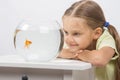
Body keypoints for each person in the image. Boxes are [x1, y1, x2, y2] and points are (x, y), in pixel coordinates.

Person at [58, 0, 120, 80]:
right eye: (66, 32)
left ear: (97, 33)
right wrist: (66, 52)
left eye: (76, 34)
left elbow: (100, 59)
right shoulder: (73, 42)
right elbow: (54, 51)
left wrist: (78, 54)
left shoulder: (106, 39)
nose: (68, 39)